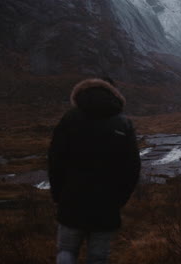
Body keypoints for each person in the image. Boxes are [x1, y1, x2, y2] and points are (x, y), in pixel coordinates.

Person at [48, 78, 141, 264]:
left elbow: (55, 160)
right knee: (98, 258)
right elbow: (132, 167)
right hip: (107, 204)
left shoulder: (70, 118)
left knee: (66, 251)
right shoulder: (123, 123)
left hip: (71, 200)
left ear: (80, 94)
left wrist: (59, 195)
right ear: (114, 95)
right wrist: (120, 199)